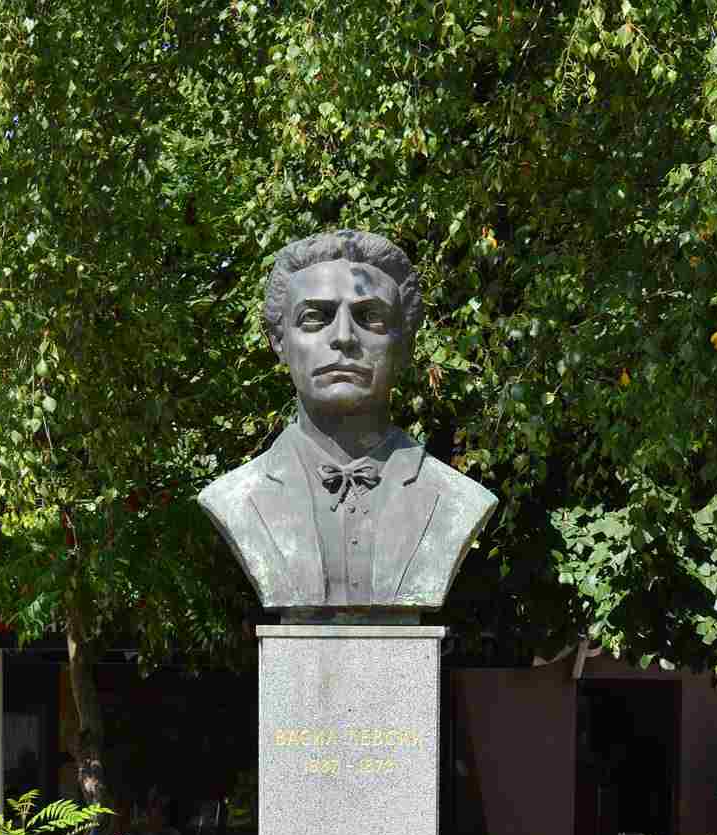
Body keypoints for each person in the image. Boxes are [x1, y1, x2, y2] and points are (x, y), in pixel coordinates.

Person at [198, 229, 497, 612]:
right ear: (279, 342)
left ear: (404, 346)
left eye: (370, 317)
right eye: (314, 317)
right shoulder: (235, 497)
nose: (343, 337)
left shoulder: (457, 499)